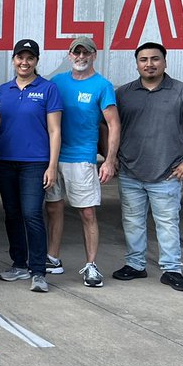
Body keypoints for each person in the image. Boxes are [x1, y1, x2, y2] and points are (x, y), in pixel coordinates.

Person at [112, 42, 183, 292]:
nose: (149, 64)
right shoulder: (123, 94)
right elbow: (108, 126)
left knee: (167, 223)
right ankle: (135, 265)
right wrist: (111, 156)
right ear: (136, 64)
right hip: (130, 171)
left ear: (165, 62)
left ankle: (172, 270)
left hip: (166, 173)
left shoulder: (181, 92)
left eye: (155, 59)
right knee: (133, 222)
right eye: (143, 59)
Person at [45, 37, 120, 288]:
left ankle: (91, 266)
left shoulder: (102, 85)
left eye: (85, 52)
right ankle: (53, 259)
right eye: (76, 52)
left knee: (87, 212)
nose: (80, 57)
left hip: (82, 159)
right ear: (69, 56)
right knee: (53, 209)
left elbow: (113, 124)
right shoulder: (57, 82)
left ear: (94, 56)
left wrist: (109, 160)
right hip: (54, 159)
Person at [0, 39, 62, 293]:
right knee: (11, 213)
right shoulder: (4, 90)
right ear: (13, 60)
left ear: (36, 61)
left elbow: (55, 131)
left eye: (30, 58)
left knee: (32, 213)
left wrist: (52, 165)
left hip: (35, 163)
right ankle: (19, 264)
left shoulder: (47, 89)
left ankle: (38, 271)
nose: (24, 62)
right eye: (20, 57)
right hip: (5, 161)